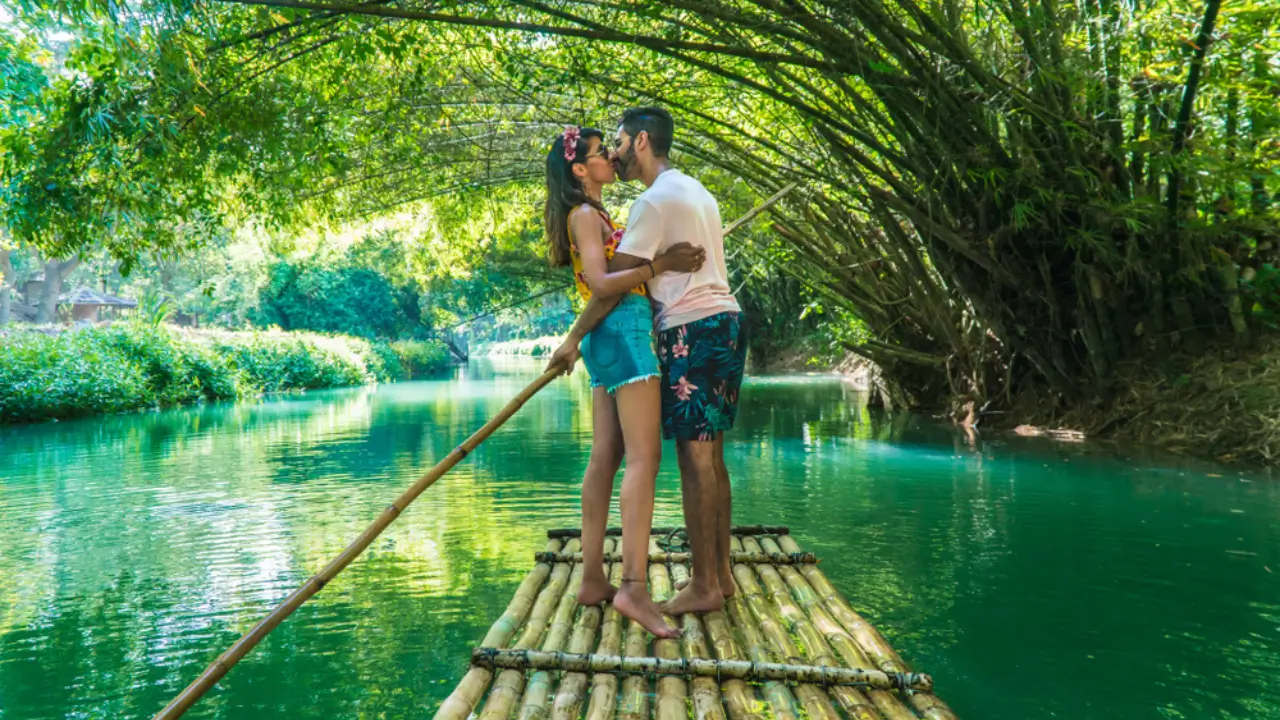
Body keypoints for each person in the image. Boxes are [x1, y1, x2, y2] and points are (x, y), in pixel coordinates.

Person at [549, 108, 747, 616]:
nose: (613, 153)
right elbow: (611, 278)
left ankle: (703, 584)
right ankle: (718, 576)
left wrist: (574, 337)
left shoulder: (651, 203)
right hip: (723, 321)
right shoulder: (695, 190)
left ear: (640, 141)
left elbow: (611, 283)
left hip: (691, 328)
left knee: (693, 458)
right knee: (711, 458)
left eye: (616, 143)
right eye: (602, 149)